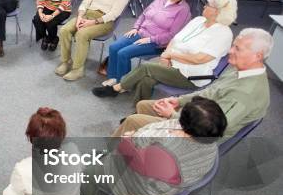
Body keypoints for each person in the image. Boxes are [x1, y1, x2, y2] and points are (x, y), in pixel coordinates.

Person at [112, 28, 272, 138]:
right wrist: (179, 101)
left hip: (200, 136)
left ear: (257, 56)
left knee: (133, 120)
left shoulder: (244, 93)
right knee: (145, 105)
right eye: (233, 46)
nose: (231, 51)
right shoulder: (238, 69)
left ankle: (114, 154)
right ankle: (134, 144)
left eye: (238, 49)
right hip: (203, 113)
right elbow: (210, 92)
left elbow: (212, 130)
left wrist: (173, 115)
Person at [81, 97, 227, 195]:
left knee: (87, 173)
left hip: (143, 194)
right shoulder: (210, 141)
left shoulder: (166, 149)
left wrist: (130, 138)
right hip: (163, 184)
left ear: (186, 127)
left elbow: (131, 153)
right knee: (118, 146)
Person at [92, 0, 236, 103]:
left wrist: (170, 56)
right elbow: (175, 39)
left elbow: (199, 59)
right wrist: (166, 55)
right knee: (146, 80)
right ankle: (139, 110)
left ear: (218, 11)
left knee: (145, 68)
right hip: (172, 63)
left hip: (189, 74)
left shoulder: (223, 33)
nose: (204, 6)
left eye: (208, 5)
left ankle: (116, 89)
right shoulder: (199, 20)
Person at [100, 0, 194, 85]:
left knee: (123, 53)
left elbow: (172, 35)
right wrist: (136, 27)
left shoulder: (183, 10)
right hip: (140, 33)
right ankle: (113, 77)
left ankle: (124, 83)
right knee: (114, 47)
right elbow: (144, 14)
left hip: (157, 43)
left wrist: (150, 39)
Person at [55, 0, 130, 81]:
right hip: (86, 14)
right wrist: (80, 17)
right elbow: (85, 2)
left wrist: (92, 22)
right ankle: (65, 61)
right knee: (64, 30)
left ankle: (78, 69)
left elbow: (114, 14)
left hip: (104, 21)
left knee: (82, 34)